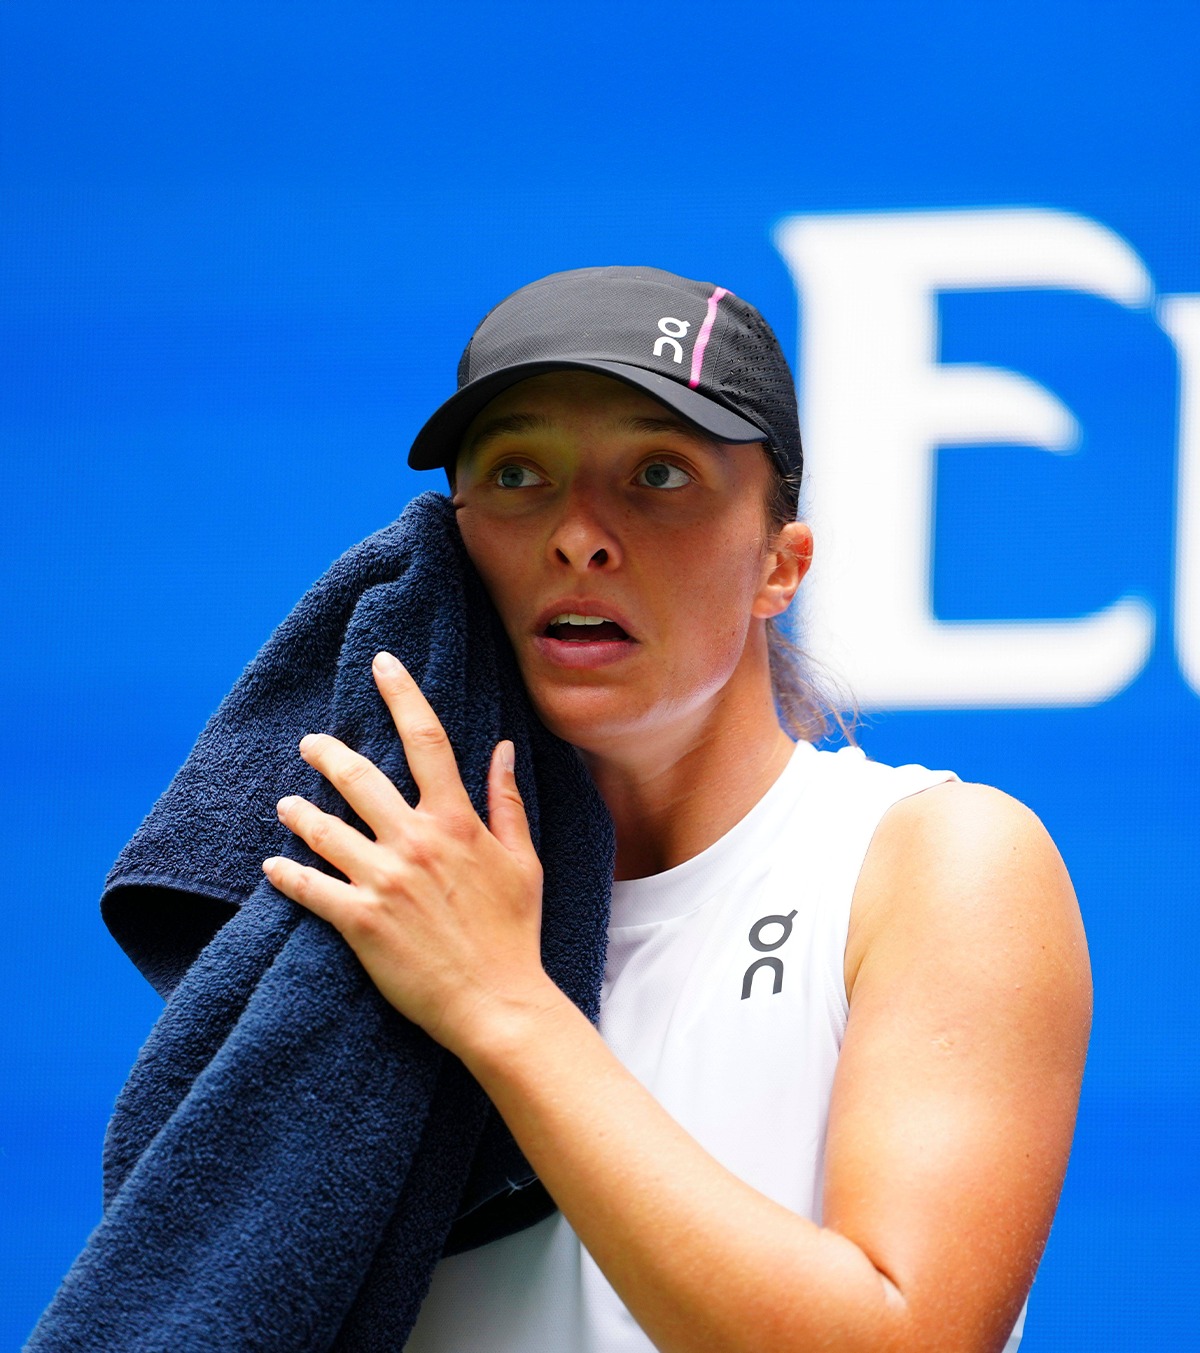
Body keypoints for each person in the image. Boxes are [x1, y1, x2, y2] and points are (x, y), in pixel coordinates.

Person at [260, 266, 1092, 1352]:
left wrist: (501, 1004)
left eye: (659, 472)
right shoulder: (373, 886)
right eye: (517, 473)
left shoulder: (938, 861)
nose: (578, 535)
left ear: (780, 566)